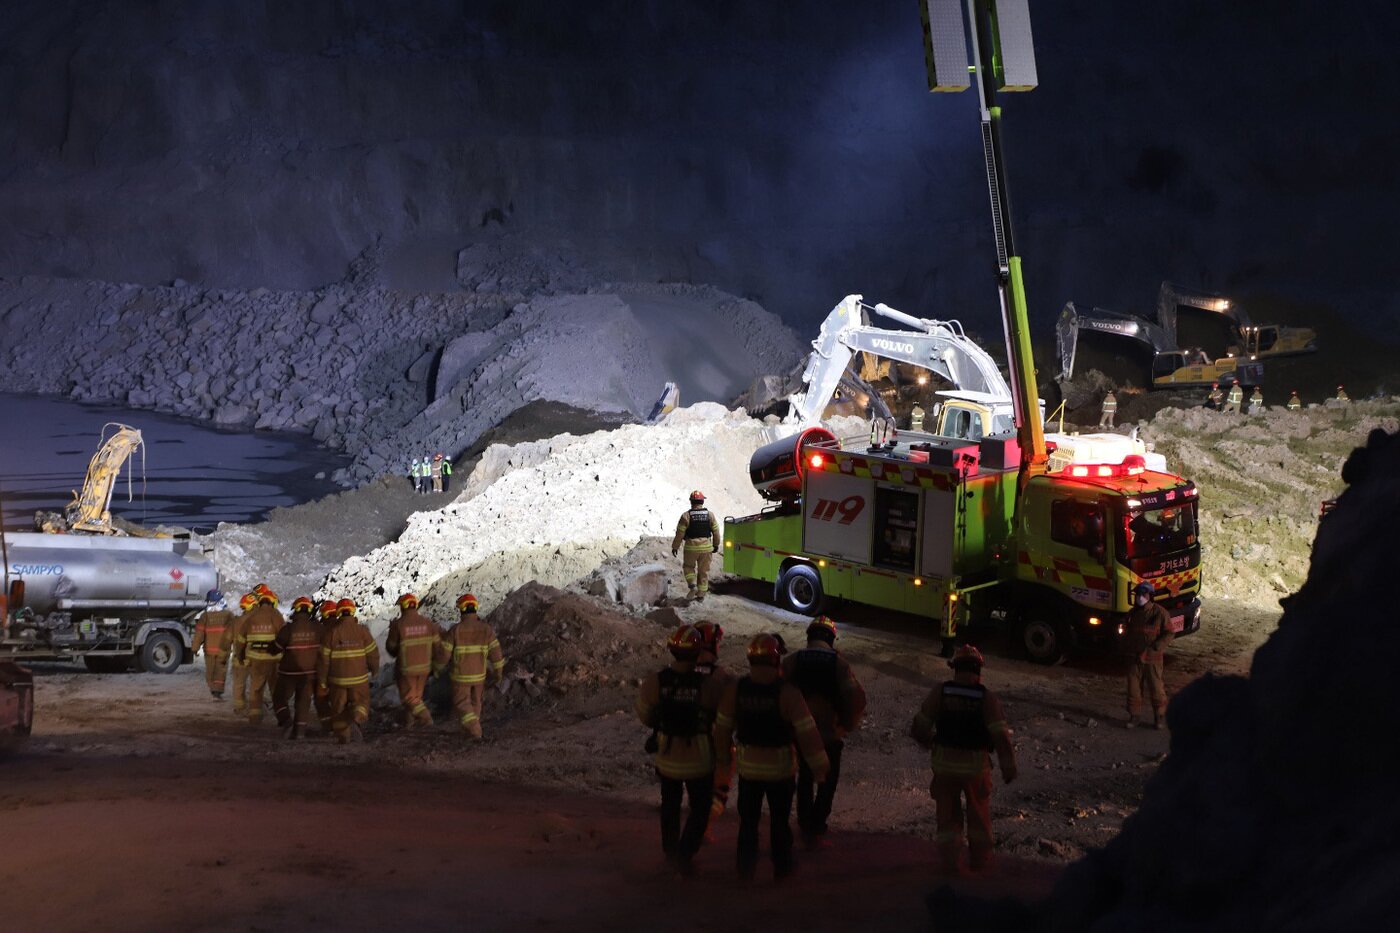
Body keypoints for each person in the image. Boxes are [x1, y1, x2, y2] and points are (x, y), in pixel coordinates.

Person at [713, 634, 830, 881]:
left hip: (748, 771)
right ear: (776, 658)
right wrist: (821, 768)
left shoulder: (737, 689)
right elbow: (808, 734)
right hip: (780, 771)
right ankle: (783, 868)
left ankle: (745, 870)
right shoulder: (788, 693)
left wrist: (723, 758)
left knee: (748, 822)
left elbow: (722, 728)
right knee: (779, 822)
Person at [910, 645, 1018, 875]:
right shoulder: (986, 697)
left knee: (947, 817)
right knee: (978, 816)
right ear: (978, 670)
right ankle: (979, 861)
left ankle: (950, 863)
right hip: (975, 768)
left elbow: (920, 726)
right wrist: (1008, 767)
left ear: (955, 669)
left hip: (944, 767)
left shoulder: (941, 692)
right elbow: (1000, 736)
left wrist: (930, 742)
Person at [634, 625, 725, 875]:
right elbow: (724, 718)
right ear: (698, 651)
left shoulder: (656, 681)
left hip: (668, 758)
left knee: (670, 807)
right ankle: (685, 855)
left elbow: (644, 714)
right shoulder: (709, 685)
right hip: (700, 760)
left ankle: (670, 854)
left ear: (672, 650)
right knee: (701, 808)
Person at [781, 615, 867, 848]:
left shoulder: (793, 660)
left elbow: (779, 694)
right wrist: (846, 725)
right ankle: (817, 827)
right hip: (829, 735)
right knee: (827, 783)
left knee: (806, 779)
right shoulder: (839, 664)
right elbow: (856, 698)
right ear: (831, 637)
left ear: (810, 636)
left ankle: (804, 823)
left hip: (801, 736)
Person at [441, 593, 505, 738]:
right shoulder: (486, 629)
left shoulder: (455, 630)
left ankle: (475, 731)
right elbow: (497, 654)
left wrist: (438, 667)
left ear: (462, 610)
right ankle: (469, 731)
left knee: (462, 704)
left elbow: (444, 655)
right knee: (476, 703)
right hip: (479, 677)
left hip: (460, 677)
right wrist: (498, 673)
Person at [316, 598, 380, 744]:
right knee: (361, 702)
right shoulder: (362, 631)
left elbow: (323, 661)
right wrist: (374, 669)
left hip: (337, 681)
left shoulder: (331, 633)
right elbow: (373, 653)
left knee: (338, 709)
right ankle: (356, 715)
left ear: (338, 613)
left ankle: (343, 738)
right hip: (359, 679)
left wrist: (322, 682)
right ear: (353, 611)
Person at [693, 621, 735, 828]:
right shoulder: (723, 679)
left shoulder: (675, 675)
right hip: (710, 746)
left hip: (674, 748)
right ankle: (705, 826)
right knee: (716, 790)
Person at [385, 592, 443, 728]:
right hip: (425, 668)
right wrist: (435, 665)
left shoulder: (398, 625)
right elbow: (438, 647)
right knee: (416, 697)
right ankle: (409, 723)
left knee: (409, 698)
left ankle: (426, 719)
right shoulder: (428, 624)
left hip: (407, 669)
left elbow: (391, 648)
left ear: (403, 607)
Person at [1124, 582, 1173, 729]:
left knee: (1156, 688)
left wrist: (1156, 648)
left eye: (1143, 595)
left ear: (1150, 596)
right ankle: (1135, 716)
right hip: (1135, 656)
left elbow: (1169, 632)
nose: (1140, 598)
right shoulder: (1133, 613)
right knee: (1133, 687)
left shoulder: (1160, 613)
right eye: (1138, 594)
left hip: (1152, 657)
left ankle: (1159, 718)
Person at [272, 596, 321, 739]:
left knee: (279, 698)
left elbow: (276, 649)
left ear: (296, 610)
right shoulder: (318, 629)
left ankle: (286, 722)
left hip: (288, 673)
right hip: (310, 673)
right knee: (303, 703)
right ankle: (299, 733)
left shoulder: (288, 629)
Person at [235, 586, 284, 725]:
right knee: (276, 690)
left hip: (256, 661)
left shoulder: (251, 617)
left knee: (256, 689)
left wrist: (240, 656)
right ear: (272, 602)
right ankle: (281, 717)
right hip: (274, 661)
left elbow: (241, 640)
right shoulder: (277, 616)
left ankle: (255, 718)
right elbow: (284, 637)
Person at [672, 490, 722, 602]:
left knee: (688, 567)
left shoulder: (686, 516)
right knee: (703, 571)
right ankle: (701, 596)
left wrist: (675, 547)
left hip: (691, 547)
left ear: (691, 502)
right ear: (702, 501)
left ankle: (692, 585)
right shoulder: (710, 515)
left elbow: (679, 534)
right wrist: (716, 544)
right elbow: (716, 532)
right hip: (706, 548)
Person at [191, 589, 234, 700]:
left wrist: (195, 648)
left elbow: (199, 634)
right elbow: (234, 631)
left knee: (210, 670)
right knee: (221, 670)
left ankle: (212, 689)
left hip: (209, 650)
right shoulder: (229, 615)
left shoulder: (205, 616)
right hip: (223, 650)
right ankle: (218, 692)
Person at [229, 592, 259, 715]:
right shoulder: (258, 621)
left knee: (239, 684)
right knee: (256, 684)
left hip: (239, 658)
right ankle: (256, 708)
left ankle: (239, 708)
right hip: (255, 658)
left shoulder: (236, 621)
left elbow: (227, 639)